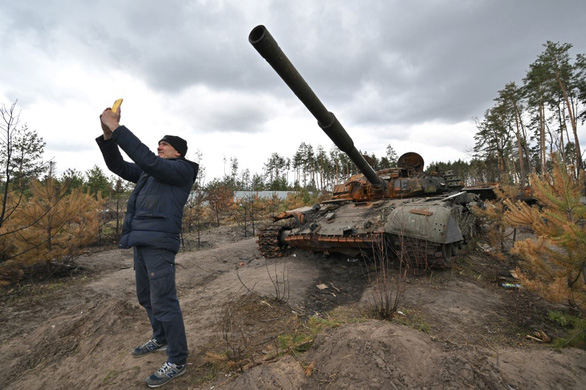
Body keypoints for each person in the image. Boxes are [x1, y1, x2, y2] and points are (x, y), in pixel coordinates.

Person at [97, 106, 198, 388]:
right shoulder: (149, 174)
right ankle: (161, 336)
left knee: (165, 302)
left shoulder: (181, 171)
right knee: (146, 297)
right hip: (140, 241)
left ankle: (177, 360)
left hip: (160, 243)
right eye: (158, 144)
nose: (159, 147)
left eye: (164, 145)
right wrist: (108, 136)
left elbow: (147, 159)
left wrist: (118, 129)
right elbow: (118, 166)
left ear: (178, 152)